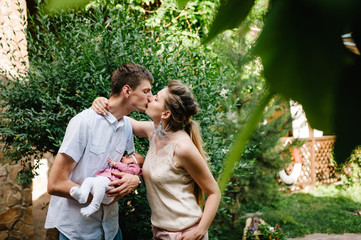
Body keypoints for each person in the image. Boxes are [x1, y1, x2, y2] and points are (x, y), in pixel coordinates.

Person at [92, 80, 221, 240]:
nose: (149, 98)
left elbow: (214, 192)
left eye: (156, 98)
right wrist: (102, 102)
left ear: (165, 114)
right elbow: (120, 117)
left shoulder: (182, 147)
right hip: (159, 233)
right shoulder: (153, 132)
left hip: (185, 234)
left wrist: (199, 232)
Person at [45, 62, 154, 240]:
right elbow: (55, 183)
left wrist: (134, 179)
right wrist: (101, 195)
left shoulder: (127, 126)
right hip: (78, 232)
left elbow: (125, 168)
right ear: (127, 91)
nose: (151, 97)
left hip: (112, 231)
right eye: (146, 91)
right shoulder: (83, 123)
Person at [70, 153, 144, 217]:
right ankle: (83, 196)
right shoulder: (122, 166)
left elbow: (130, 170)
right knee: (89, 180)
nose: (123, 157)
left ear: (135, 162)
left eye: (127, 157)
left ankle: (94, 205)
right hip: (103, 185)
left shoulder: (134, 168)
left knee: (100, 181)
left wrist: (116, 164)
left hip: (110, 190)